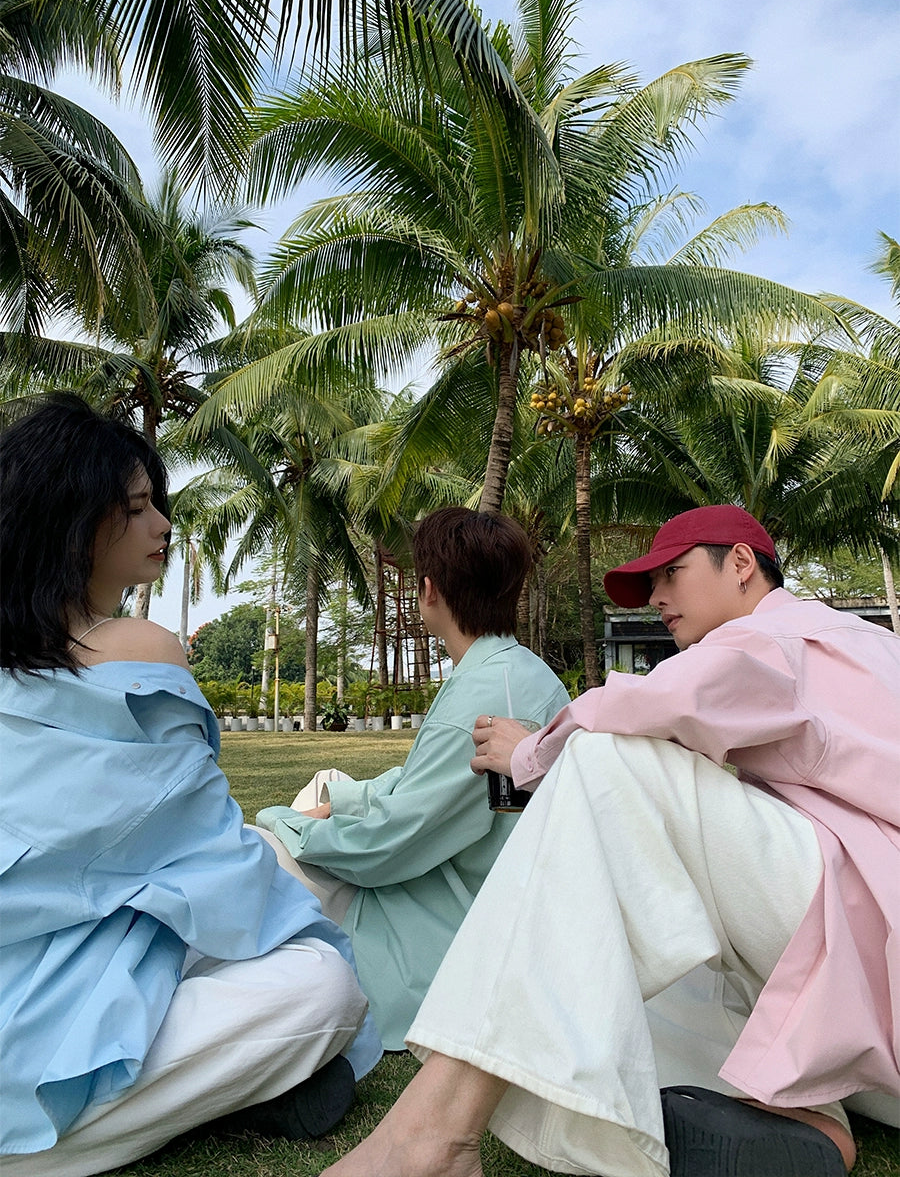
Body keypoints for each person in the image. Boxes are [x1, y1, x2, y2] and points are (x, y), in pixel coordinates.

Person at [320, 504, 899, 1177]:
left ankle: (435, 1139)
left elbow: (659, 703)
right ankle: (800, 1115)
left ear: (742, 564)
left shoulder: (782, 636)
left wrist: (532, 752)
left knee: (606, 759)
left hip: (875, 938)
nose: (656, 598)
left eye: (671, 574)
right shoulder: (869, 645)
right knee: (626, 954)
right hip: (869, 1001)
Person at [0, 395, 382, 1177]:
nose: (162, 525)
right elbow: (211, 860)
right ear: (73, 523)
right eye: (137, 508)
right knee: (323, 986)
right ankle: (71, 1134)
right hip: (73, 967)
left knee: (276, 864)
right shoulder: (137, 646)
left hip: (39, 950)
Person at [255, 506, 570, 1050]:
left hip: (450, 918)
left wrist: (289, 824)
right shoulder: (522, 671)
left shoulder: (477, 698)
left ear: (428, 590)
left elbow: (388, 846)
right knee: (328, 782)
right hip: (488, 885)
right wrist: (341, 802)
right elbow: (427, 783)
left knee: (262, 850)